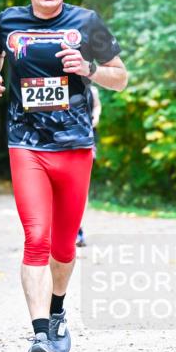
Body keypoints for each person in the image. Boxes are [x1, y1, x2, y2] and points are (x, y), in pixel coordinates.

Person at [0, 0, 127, 352]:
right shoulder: (9, 21)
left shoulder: (86, 23)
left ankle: (58, 311)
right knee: (36, 237)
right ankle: (40, 336)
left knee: (63, 246)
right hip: (25, 144)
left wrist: (90, 69)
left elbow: (121, 77)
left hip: (75, 146)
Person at [76, 85, 101, 248]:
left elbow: (97, 106)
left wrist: (95, 117)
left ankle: (78, 229)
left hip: (86, 142)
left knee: (79, 190)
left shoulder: (93, 90)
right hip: (62, 142)